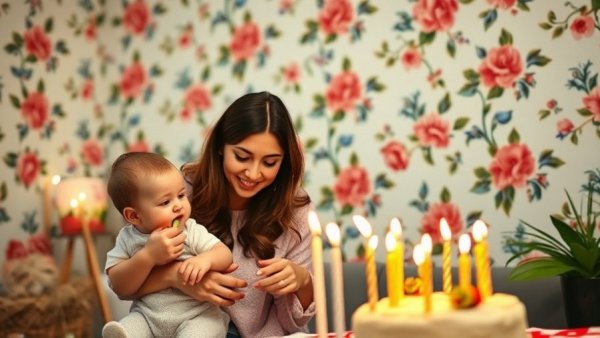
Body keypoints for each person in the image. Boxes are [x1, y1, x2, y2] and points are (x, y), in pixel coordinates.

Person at [107, 91, 316, 338]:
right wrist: (176, 277)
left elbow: (292, 324)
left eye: (270, 162)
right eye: (242, 156)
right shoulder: (180, 193)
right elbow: (125, 283)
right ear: (220, 148)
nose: (253, 173)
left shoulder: (296, 212)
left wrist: (302, 281)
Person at [102, 152, 233, 338]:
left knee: (201, 331)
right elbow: (118, 285)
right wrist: (148, 256)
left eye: (181, 195)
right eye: (165, 202)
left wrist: (206, 260)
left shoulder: (189, 230)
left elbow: (224, 254)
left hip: (197, 316)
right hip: (148, 316)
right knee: (132, 325)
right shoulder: (127, 238)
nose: (178, 205)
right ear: (134, 216)